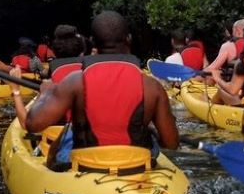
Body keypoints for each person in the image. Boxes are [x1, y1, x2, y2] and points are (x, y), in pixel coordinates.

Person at [24, 11, 179, 167]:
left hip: (87, 167)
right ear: (129, 39)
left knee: (64, 138)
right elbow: (171, 142)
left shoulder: (74, 81)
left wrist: (45, 93)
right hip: (136, 167)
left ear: (92, 42)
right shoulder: (152, 86)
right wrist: (148, 125)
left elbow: (32, 124)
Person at [9, 24, 85, 128]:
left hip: (56, 131)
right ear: (81, 52)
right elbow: (40, 70)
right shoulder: (90, 75)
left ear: (55, 51)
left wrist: (16, 90)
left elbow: (26, 124)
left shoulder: (48, 86)